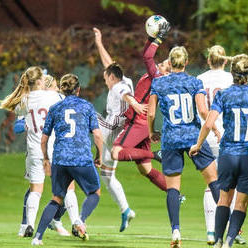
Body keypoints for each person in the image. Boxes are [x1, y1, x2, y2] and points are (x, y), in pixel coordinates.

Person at [189, 54, 248, 248]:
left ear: (232, 73)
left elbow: (209, 123)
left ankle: (218, 239)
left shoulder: (223, 95)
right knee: (240, 204)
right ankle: (230, 241)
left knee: (224, 199)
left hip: (228, 154)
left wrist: (197, 145)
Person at [148, 46, 219, 248]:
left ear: (169, 63)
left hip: (170, 139)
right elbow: (203, 111)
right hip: (193, 137)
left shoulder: (159, 83)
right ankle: (227, 226)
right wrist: (213, 128)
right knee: (213, 180)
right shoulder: (194, 82)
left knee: (173, 188)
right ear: (186, 62)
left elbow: (151, 113)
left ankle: (176, 230)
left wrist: (151, 131)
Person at [0, 66, 71, 237]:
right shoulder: (54, 96)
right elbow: (67, 104)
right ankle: (70, 221)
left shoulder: (25, 99)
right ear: (40, 81)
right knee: (67, 186)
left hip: (34, 151)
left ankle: (30, 225)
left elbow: (18, 110)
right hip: (53, 149)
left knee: (35, 190)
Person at [31, 73, 103, 245]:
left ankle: (37, 237)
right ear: (78, 90)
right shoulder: (87, 106)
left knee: (57, 198)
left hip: (61, 159)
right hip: (81, 158)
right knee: (94, 192)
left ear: (63, 91)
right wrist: (99, 156)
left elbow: (44, 139)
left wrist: (46, 160)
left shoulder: (55, 108)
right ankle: (80, 220)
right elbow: (98, 135)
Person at [93, 27, 147, 232]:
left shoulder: (118, 86)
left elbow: (124, 94)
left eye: (106, 77)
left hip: (112, 129)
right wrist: (99, 43)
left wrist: (136, 105)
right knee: (107, 177)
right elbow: (109, 64)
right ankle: (126, 210)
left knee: (84, 113)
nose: (105, 80)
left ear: (112, 78)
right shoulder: (123, 79)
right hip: (117, 134)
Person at [111, 22, 171, 193]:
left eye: (167, 64)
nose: (162, 63)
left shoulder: (159, 77)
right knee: (146, 170)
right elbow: (146, 54)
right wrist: (151, 38)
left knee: (117, 152)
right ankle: (174, 193)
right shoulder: (159, 74)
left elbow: (147, 57)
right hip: (143, 123)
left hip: (139, 122)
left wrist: (158, 39)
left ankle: (156, 154)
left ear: (168, 72)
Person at [197, 45, 245, 245]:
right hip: (228, 135)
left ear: (209, 60)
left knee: (212, 183)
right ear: (225, 61)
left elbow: (200, 110)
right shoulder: (230, 79)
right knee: (230, 185)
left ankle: (211, 231)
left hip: (206, 134)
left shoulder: (199, 79)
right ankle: (232, 230)